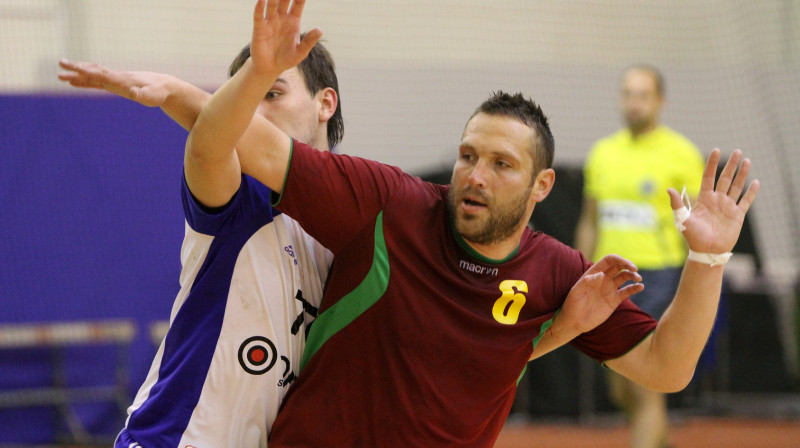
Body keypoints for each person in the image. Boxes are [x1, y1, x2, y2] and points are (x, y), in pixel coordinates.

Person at [192, 1, 758, 445]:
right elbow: (251, 145)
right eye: (468, 156)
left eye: (501, 164)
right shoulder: (394, 204)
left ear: (542, 186)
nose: (476, 176)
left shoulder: (556, 273)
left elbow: (666, 368)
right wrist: (183, 91)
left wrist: (708, 259)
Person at [58, 39, 342, 447]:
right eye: (244, 101)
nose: (255, 114)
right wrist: (175, 93)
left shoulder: (344, 231)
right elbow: (209, 145)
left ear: (325, 103)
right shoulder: (240, 193)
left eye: (272, 94)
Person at [574, 65, 705, 448]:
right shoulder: (602, 153)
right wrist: (578, 270)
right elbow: (590, 219)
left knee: (644, 380)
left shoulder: (682, 154)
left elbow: (698, 227)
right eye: (628, 94)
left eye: (643, 95)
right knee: (620, 386)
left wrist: (697, 283)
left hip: (657, 277)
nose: (634, 103)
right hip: (608, 278)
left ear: (659, 101)